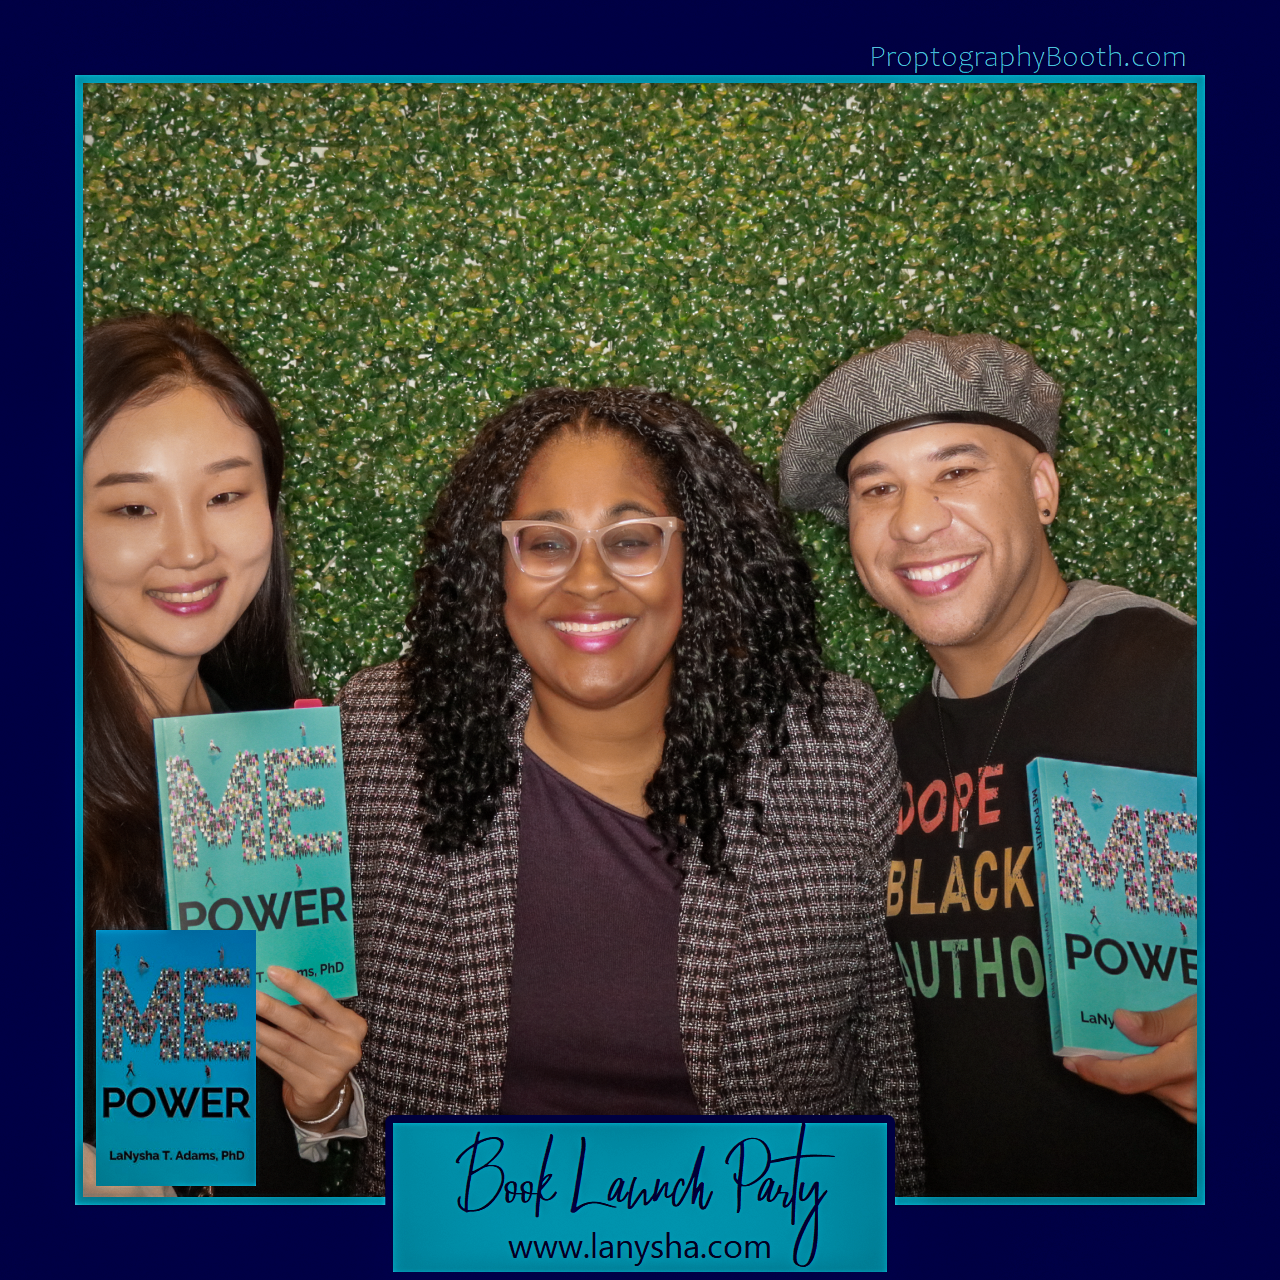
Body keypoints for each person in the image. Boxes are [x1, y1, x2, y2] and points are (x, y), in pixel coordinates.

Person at [337, 386, 925, 1197]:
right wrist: (323, 1110)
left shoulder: (827, 744)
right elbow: (290, 1059)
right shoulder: (381, 738)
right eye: (545, 544)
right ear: (494, 568)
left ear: (699, 555)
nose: (587, 583)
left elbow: (885, 1047)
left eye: (633, 540)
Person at [780, 330, 1196, 1196]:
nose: (916, 521)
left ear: (1042, 487)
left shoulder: (1182, 679)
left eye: (957, 472)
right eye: (877, 489)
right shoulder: (872, 755)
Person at [81, 312, 367, 1197]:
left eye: (225, 495)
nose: (191, 548)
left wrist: (318, 1102)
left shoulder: (251, 757)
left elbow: (178, 1127)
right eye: (133, 507)